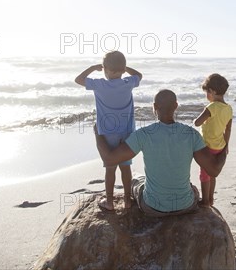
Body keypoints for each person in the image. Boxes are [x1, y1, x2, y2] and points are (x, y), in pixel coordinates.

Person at [94, 89, 227, 216]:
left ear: (154, 107)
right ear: (176, 106)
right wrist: (224, 149)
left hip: (152, 207)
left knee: (136, 179)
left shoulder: (144, 134)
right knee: (192, 189)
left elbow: (109, 159)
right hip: (185, 206)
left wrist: (98, 132)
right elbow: (213, 171)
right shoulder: (191, 134)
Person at [75, 51, 142, 211]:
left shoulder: (99, 84)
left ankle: (110, 201)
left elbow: (78, 79)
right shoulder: (128, 82)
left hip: (108, 132)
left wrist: (92, 67)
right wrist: (126, 68)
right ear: (122, 68)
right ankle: (127, 200)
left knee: (110, 167)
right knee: (126, 167)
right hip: (127, 131)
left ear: (105, 69)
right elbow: (139, 75)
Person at [193, 74, 232, 207]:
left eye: (207, 92)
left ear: (213, 92)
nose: (207, 96)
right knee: (212, 173)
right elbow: (228, 130)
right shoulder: (229, 109)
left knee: (204, 174)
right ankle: (210, 199)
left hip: (207, 146)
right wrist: (226, 145)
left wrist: (196, 118)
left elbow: (197, 123)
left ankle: (205, 201)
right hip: (220, 146)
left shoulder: (211, 107)